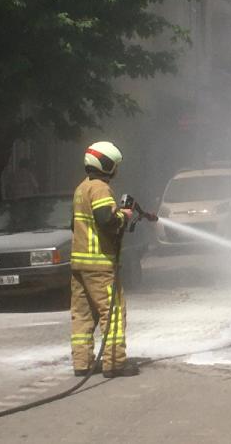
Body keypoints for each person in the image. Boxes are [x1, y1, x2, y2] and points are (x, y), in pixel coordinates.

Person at [70, 141, 139, 378]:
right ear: (107, 164)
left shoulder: (81, 188)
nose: (117, 170)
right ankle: (114, 363)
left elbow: (74, 225)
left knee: (82, 316)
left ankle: (82, 363)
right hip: (99, 265)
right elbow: (106, 220)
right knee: (114, 313)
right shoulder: (100, 189)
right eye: (115, 165)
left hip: (79, 265)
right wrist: (124, 216)